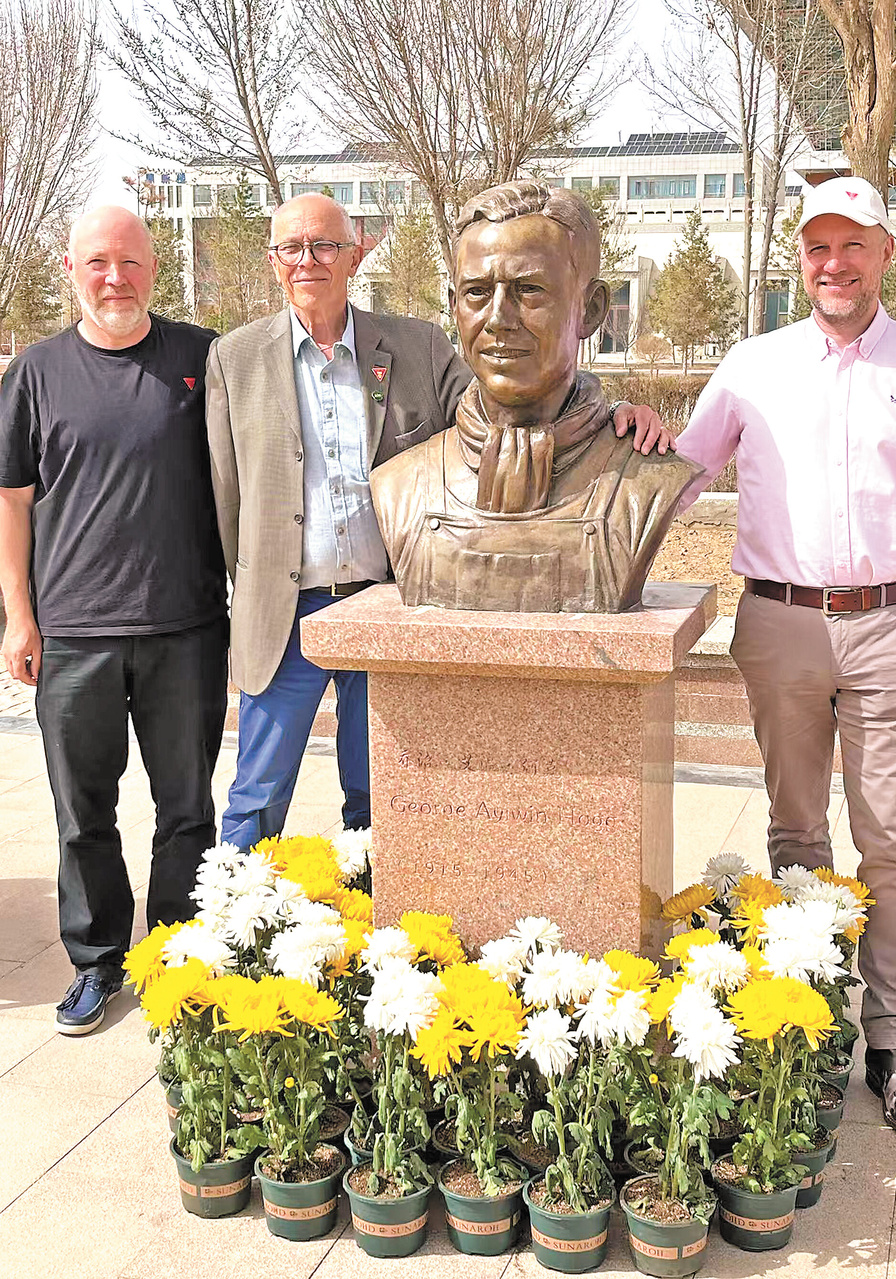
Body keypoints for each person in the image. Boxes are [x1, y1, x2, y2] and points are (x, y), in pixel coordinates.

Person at [206, 192, 672, 850]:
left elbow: (500, 396)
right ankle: (235, 925)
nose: (307, 260)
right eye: (291, 248)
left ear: (354, 255)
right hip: (284, 614)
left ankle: (385, 936)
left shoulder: (411, 347)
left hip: (387, 601)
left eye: (325, 246)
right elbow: (223, 497)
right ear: (273, 261)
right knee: (257, 795)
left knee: (383, 795)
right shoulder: (236, 357)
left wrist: (613, 411)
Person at [676, 176, 896, 1133]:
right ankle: (800, 1021)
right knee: (795, 831)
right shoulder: (752, 364)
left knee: (890, 838)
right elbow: (678, 474)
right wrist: (624, 446)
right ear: (799, 261)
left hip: (891, 623)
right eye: (815, 249)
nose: (832, 265)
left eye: (851, 246)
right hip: (780, 622)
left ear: (884, 253)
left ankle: (892, 1043)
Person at [0, 207, 227, 1035]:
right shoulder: (35, 372)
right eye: (98, 263)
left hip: (187, 628)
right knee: (82, 813)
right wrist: (18, 618)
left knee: (186, 810)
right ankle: (96, 963)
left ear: (153, 268)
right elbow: (12, 504)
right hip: (74, 636)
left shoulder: (202, 358)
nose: (114, 279)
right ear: (71, 268)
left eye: (130, 263)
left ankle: (170, 963)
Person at [372, 181, 702, 612]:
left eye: (528, 290)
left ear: (592, 309)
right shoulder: (400, 484)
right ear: (454, 306)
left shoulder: (649, 481)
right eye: (477, 292)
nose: (498, 319)